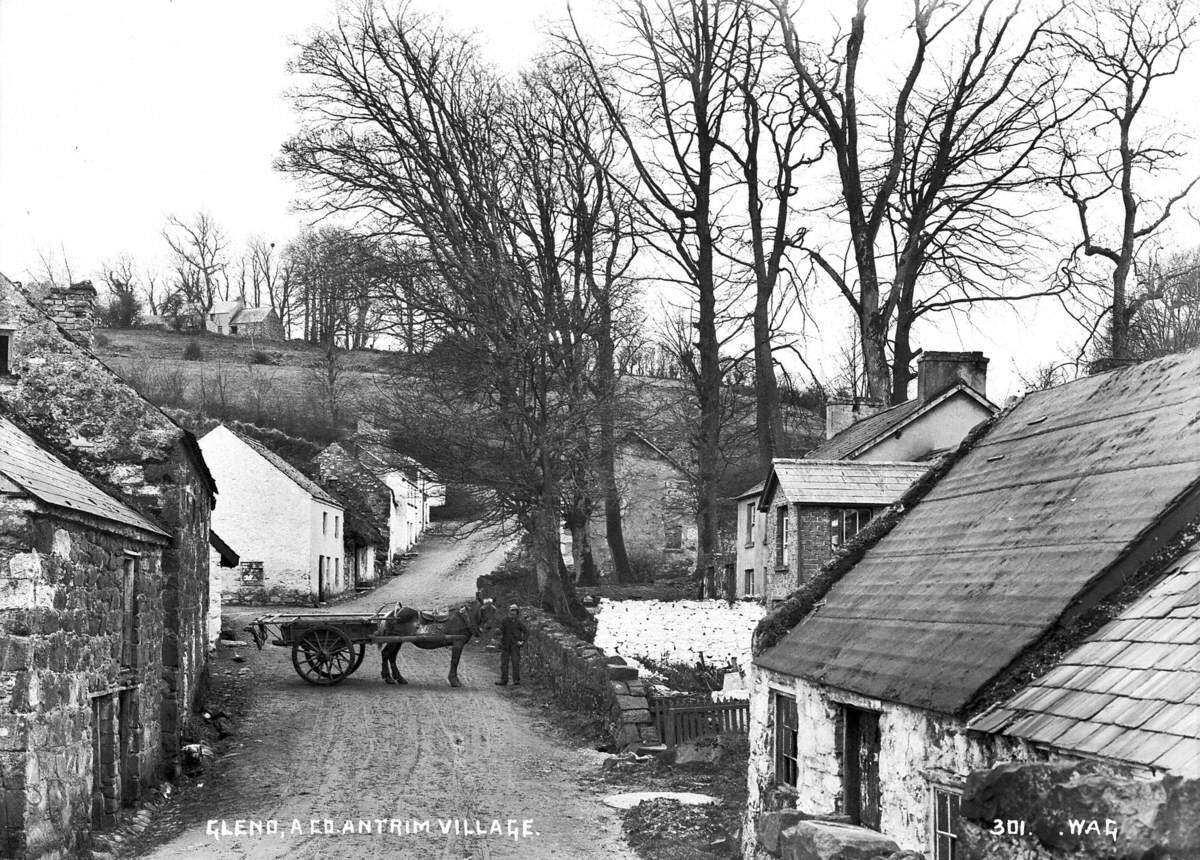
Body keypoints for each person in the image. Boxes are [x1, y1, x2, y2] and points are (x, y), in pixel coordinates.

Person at [495, 604, 527, 686]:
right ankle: (504, 680)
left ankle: (516, 680)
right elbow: (501, 629)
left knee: (515, 663)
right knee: (504, 664)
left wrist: (523, 641)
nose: (512, 614)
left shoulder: (519, 622)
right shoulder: (504, 621)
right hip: (505, 645)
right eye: (511, 612)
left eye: (514, 612)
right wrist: (498, 631)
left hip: (515, 646)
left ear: (517, 613)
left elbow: (526, 632)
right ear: (509, 612)